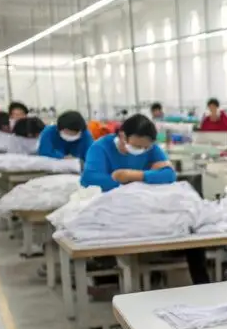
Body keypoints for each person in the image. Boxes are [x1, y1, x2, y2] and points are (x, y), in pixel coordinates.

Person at [81, 114, 209, 285]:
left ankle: (202, 284)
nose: (140, 150)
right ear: (122, 136)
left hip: (147, 205)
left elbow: (169, 174)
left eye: (144, 148)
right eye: (136, 146)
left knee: (190, 225)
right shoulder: (100, 148)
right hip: (118, 208)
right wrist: (145, 178)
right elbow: (90, 179)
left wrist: (132, 175)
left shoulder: (151, 149)